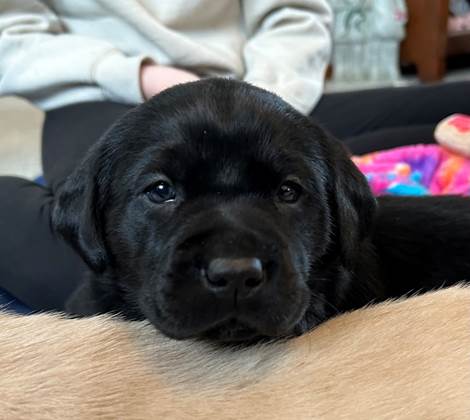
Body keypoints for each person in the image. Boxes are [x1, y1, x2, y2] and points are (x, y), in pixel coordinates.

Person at [0, 0, 469, 311]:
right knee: (55, 229)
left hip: (264, 83)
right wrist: (137, 76)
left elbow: (294, 14)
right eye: (162, 192)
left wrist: (263, 110)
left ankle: (314, 176)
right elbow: (12, 37)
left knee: (454, 100)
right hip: (99, 90)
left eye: (286, 191)